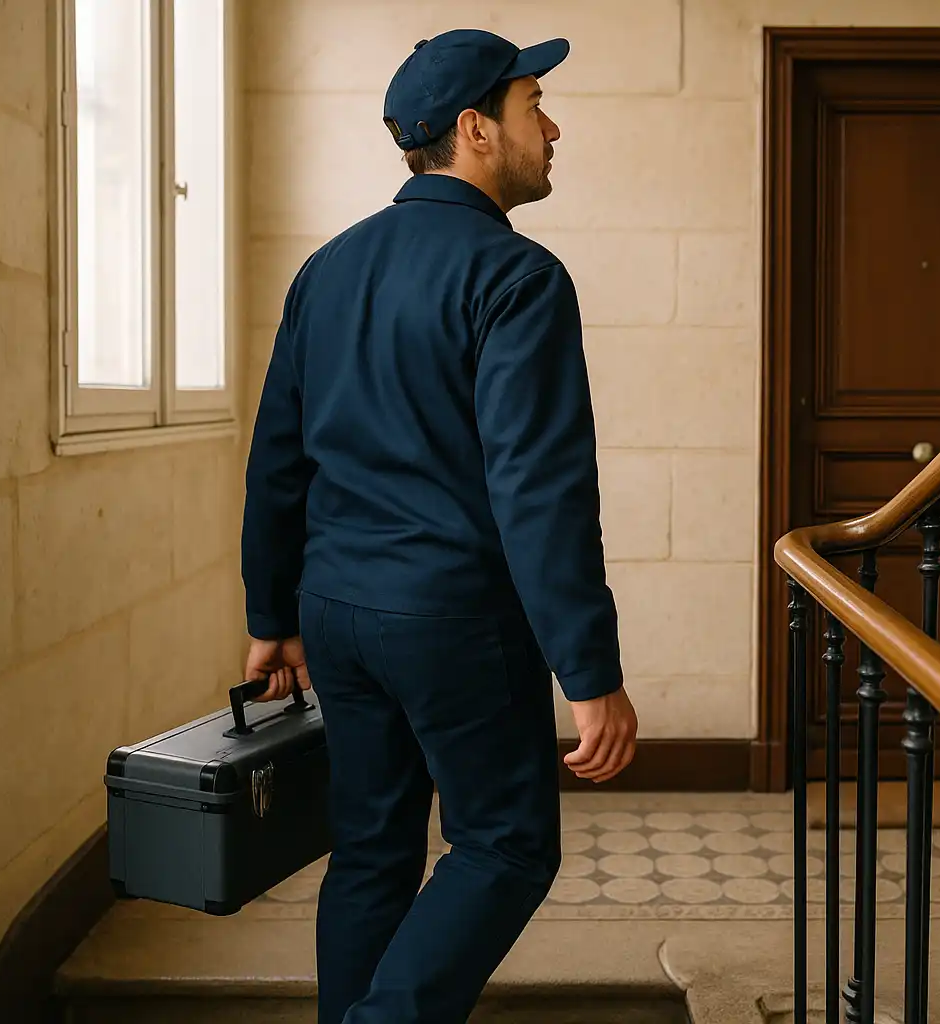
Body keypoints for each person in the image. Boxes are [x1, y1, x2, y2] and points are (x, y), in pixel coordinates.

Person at [237, 27, 639, 1024]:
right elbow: (539, 490)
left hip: (335, 613)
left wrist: (269, 611)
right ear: (475, 130)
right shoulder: (517, 278)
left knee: (372, 848)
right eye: (531, 105)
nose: (552, 126)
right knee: (506, 842)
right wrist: (589, 673)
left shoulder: (325, 271)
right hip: (454, 619)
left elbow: (277, 457)